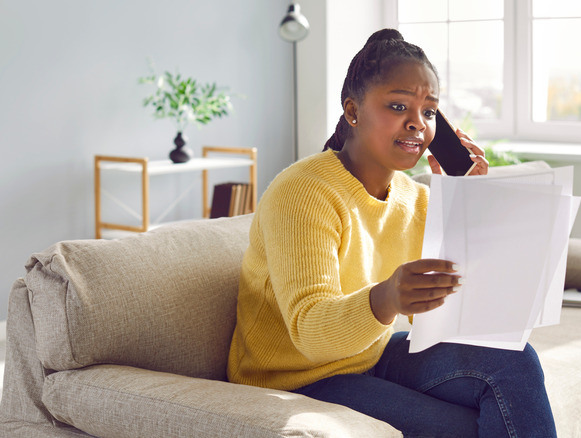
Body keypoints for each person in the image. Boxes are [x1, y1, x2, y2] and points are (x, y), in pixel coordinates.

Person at [228, 28, 556, 437]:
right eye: (399, 105)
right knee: (467, 428)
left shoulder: (413, 198)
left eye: (430, 112)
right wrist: (386, 296)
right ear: (353, 111)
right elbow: (310, 332)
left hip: (371, 355)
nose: (417, 123)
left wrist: (466, 199)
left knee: (514, 360)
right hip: (296, 375)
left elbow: (448, 311)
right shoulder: (303, 192)